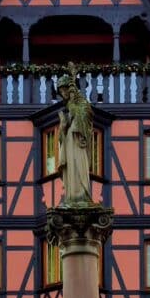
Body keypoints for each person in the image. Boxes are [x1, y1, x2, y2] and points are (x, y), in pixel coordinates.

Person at [57, 67, 94, 205]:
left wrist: (74, 108)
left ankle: (81, 195)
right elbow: (62, 135)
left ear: (70, 89)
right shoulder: (67, 108)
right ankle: (71, 195)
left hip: (78, 142)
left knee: (79, 166)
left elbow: (87, 118)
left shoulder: (83, 104)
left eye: (64, 90)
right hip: (69, 141)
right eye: (61, 91)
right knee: (71, 168)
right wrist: (63, 126)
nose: (63, 93)